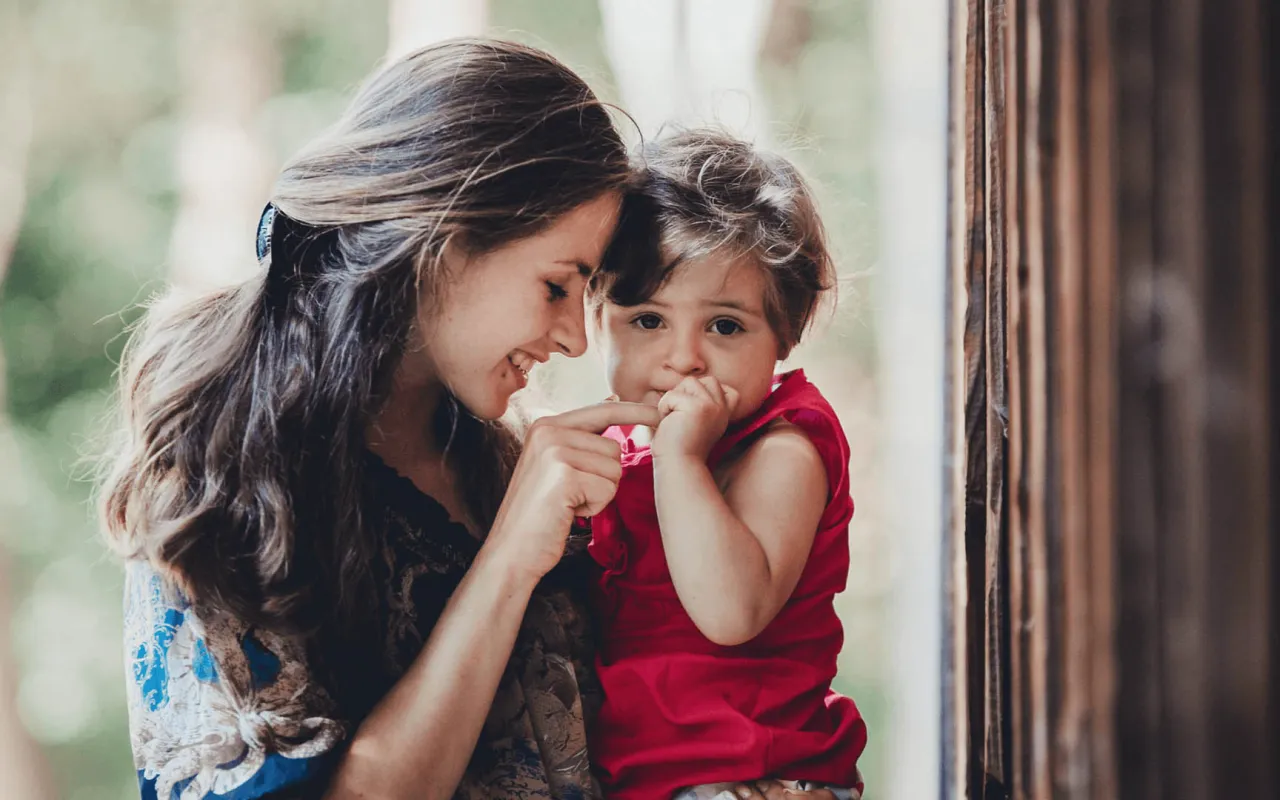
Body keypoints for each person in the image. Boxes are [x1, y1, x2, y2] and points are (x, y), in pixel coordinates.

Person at [99, 38, 840, 800]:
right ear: (444, 241)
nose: (576, 339)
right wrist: (510, 561)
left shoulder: (506, 461)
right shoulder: (219, 473)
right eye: (558, 287)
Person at [585, 130, 868, 800]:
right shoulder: (621, 451)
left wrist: (680, 459)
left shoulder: (785, 447)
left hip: (751, 776)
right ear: (598, 316)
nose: (683, 359)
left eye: (725, 327)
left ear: (785, 334)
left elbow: (730, 612)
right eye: (647, 320)